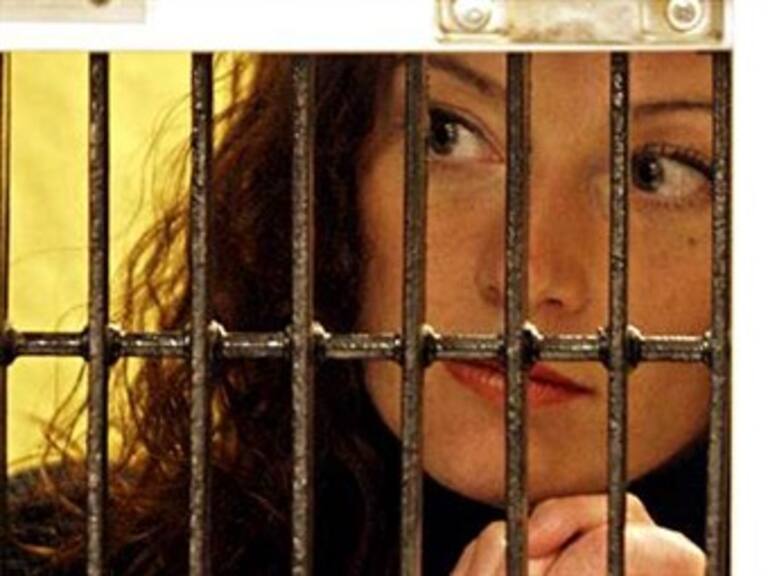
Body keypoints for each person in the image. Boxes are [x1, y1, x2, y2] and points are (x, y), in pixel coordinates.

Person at [9, 52, 714, 575]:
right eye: (447, 134)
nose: (526, 277)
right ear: (331, 161)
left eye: (656, 173)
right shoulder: (54, 548)